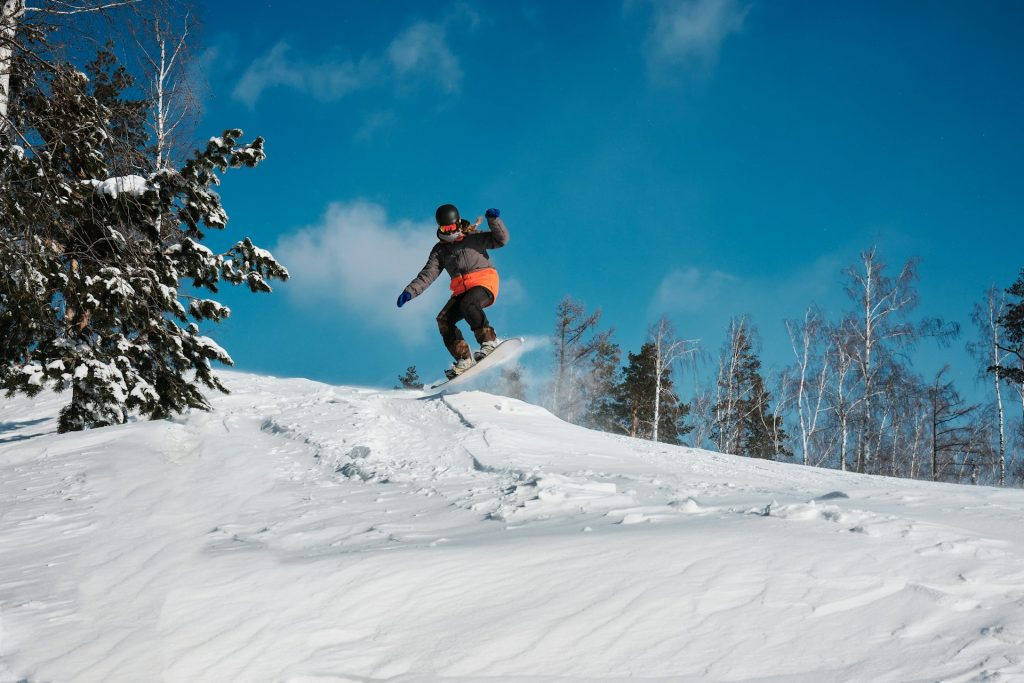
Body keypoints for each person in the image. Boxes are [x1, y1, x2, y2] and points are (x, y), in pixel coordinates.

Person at [397, 204, 509, 379]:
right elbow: (428, 274)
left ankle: (488, 341)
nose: (448, 232)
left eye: (451, 227)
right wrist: (410, 291)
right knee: (444, 319)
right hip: (461, 290)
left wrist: (493, 221)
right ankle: (464, 358)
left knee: (468, 305)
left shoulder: (474, 237)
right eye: (444, 228)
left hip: (484, 282)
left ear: (458, 223)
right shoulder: (440, 250)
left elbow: (501, 239)